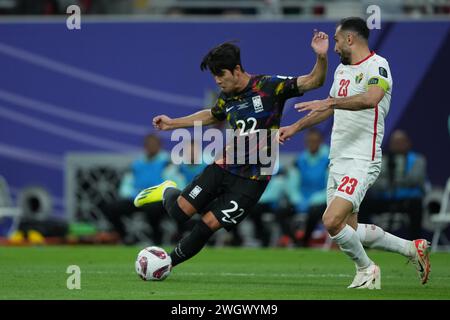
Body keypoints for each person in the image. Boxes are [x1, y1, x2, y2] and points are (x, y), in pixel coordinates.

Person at [134, 32, 329, 275]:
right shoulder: (227, 96)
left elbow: (314, 81)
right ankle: (167, 190)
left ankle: (166, 265)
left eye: (221, 75)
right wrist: (173, 123)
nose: (217, 81)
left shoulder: (269, 86)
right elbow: (212, 115)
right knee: (179, 213)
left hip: (253, 179)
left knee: (208, 225)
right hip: (225, 166)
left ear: (237, 70)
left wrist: (321, 57)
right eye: (215, 76)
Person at [279, 17, 430, 289]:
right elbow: (328, 107)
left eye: (336, 41)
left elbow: (371, 98)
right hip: (338, 159)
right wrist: (295, 127)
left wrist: (331, 100)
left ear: (350, 39)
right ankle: (411, 248)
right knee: (347, 229)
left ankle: (367, 269)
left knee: (331, 220)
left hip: (362, 159)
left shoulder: (378, 65)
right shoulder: (342, 71)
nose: (335, 47)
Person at [102, 134, 170, 245]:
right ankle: (125, 237)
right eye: (148, 144)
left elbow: (173, 184)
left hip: (158, 200)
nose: (151, 147)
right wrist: (135, 195)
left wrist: (154, 195)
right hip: (137, 198)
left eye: (154, 144)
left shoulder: (167, 163)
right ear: (145, 146)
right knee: (111, 208)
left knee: (153, 210)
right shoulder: (136, 164)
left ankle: (157, 239)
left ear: (159, 146)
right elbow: (126, 186)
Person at [360, 129, 427, 239]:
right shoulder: (382, 159)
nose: (398, 145)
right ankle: (365, 241)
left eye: (401, 142)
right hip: (385, 199)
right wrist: (392, 183)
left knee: (416, 206)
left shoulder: (418, 160)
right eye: (395, 142)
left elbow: (415, 179)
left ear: (408, 143)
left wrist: (393, 181)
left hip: (408, 200)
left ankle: (416, 242)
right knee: (363, 205)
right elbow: (374, 180)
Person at [282, 128, 329, 247]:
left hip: (321, 200)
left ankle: (305, 240)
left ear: (320, 142)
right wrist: (297, 199)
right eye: (309, 141)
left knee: (314, 212)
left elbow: (330, 187)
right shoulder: (300, 160)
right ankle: (295, 239)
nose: (312, 144)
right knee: (281, 212)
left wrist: (315, 199)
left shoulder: (328, 161)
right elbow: (292, 184)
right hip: (301, 198)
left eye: (315, 141)